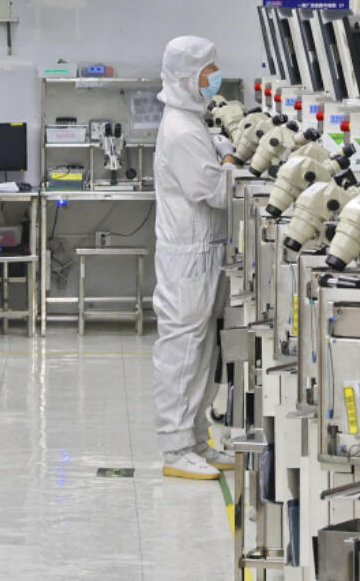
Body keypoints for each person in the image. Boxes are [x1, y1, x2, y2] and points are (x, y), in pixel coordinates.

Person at [152, 35, 239, 480]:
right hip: (186, 256)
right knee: (183, 351)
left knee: (201, 351)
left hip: (202, 252)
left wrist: (223, 152)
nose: (214, 77)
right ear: (189, 76)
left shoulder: (190, 120)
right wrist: (234, 168)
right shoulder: (183, 129)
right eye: (209, 70)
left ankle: (198, 439)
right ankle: (176, 447)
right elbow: (210, 190)